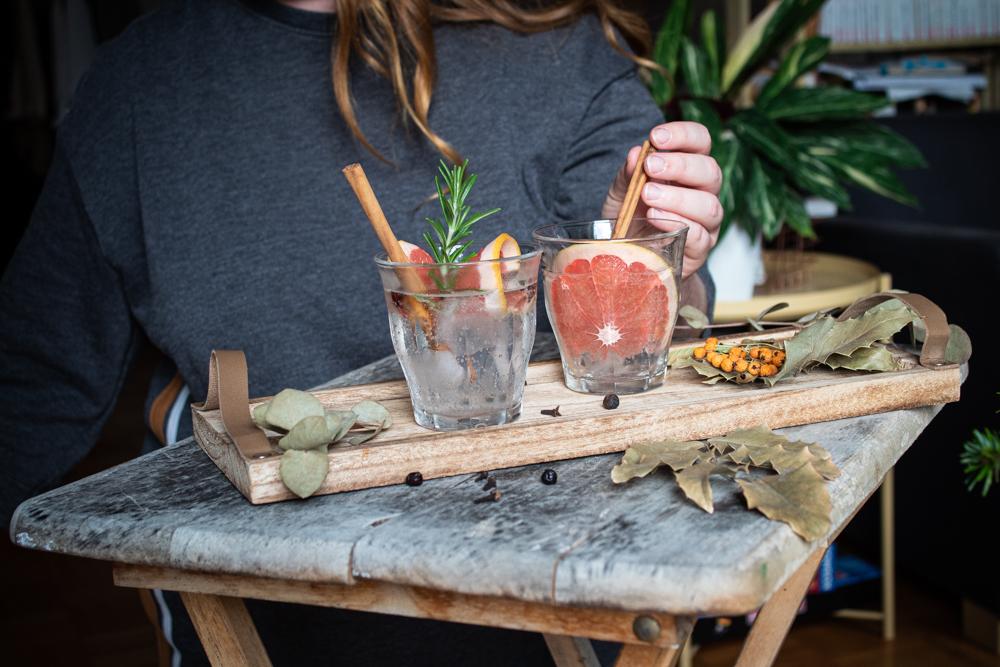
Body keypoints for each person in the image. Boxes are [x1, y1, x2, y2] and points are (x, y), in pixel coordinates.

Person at [1, 0, 721, 664]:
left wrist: (660, 256)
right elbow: (31, 383)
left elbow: (654, 315)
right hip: (249, 635)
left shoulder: (563, 51)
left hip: (553, 632)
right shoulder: (142, 82)